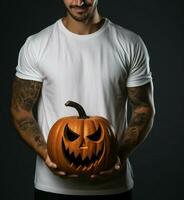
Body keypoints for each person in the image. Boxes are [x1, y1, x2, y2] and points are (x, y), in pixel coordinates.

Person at [10, 0, 155, 199]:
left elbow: (143, 109)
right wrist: (46, 153)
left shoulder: (129, 43)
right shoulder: (37, 44)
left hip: (113, 186)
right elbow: (21, 109)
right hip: (52, 187)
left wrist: (120, 155)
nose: (79, 1)